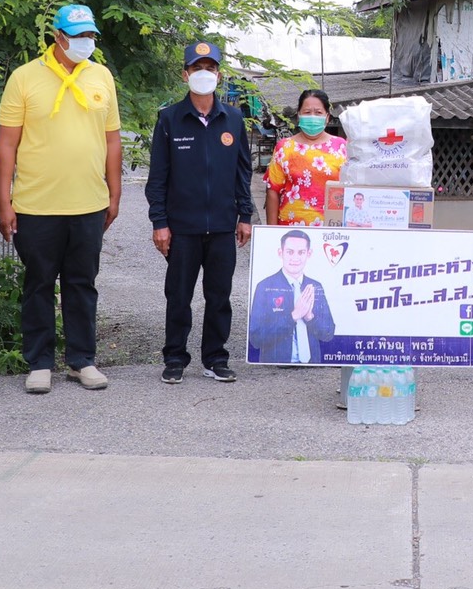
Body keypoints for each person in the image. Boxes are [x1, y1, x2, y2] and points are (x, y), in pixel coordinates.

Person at [0, 4, 122, 395]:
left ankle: (82, 360)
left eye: (91, 36)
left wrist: (114, 192)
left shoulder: (101, 76)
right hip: (36, 205)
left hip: (88, 203)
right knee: (38, 284)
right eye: (78, 35)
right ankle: (40, 362)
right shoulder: (24, 78)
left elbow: (112, 138)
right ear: (58, 36)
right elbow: (7, 143)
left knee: (83, 284)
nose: (86, 42)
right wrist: (4, 201)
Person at [148, 40, 253, 384]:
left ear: (219, 74)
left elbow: (243, 172)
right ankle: (175, 358)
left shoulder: (234, 119)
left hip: (223, 225)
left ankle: (215, 358)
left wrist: (246, 216)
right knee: (178, 295)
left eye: (210, 68)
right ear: (185, 74)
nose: (204, 74)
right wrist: (160, 223)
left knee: (219, 296)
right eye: (197, 68)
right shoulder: (169, 119)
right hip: (182, 227)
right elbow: (158, 177)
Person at [248, 228, 337, 364]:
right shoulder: (265, 286)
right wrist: (293, 316)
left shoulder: (315, 286)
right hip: (276, 368)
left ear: (309, 254)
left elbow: (328, 333)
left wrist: (309, 317)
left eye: (301, 252)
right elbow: (256, 338)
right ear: (280, 253)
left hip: (311, 367)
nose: (295, 258)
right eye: (290, 252)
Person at [265, 90, 348, 226]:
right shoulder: (285, 147)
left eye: (318, 112)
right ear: (299, 116)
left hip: (331, 229)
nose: (313, 117)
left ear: (327, 117)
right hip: (291, 230)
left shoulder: (341, 147)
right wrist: (271, 231)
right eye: (307, 112)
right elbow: (273, 191)